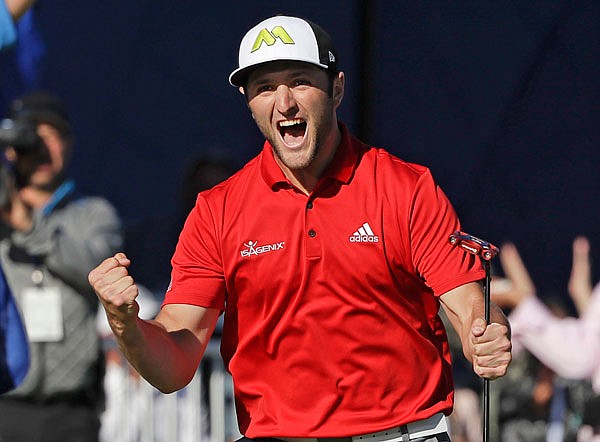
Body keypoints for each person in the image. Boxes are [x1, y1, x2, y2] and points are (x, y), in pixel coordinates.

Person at [89, 15, 511, 442]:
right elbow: (174, 364)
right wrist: (126, 325)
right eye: (265, 87)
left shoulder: (405, 187)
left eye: (300, 81)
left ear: (337, 89)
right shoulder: (217, 210)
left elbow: (469, 305)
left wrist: (484, 332)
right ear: (249, 102)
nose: (284, 102)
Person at [0, 91, 123, 441]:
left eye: (50, 138)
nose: (40, 150)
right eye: (30, 138)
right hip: (6, 402)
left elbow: (96, 269)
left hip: (70, 410)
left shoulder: (94, 214)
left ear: (68, 143)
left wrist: (29, 226)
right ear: (11, 149)